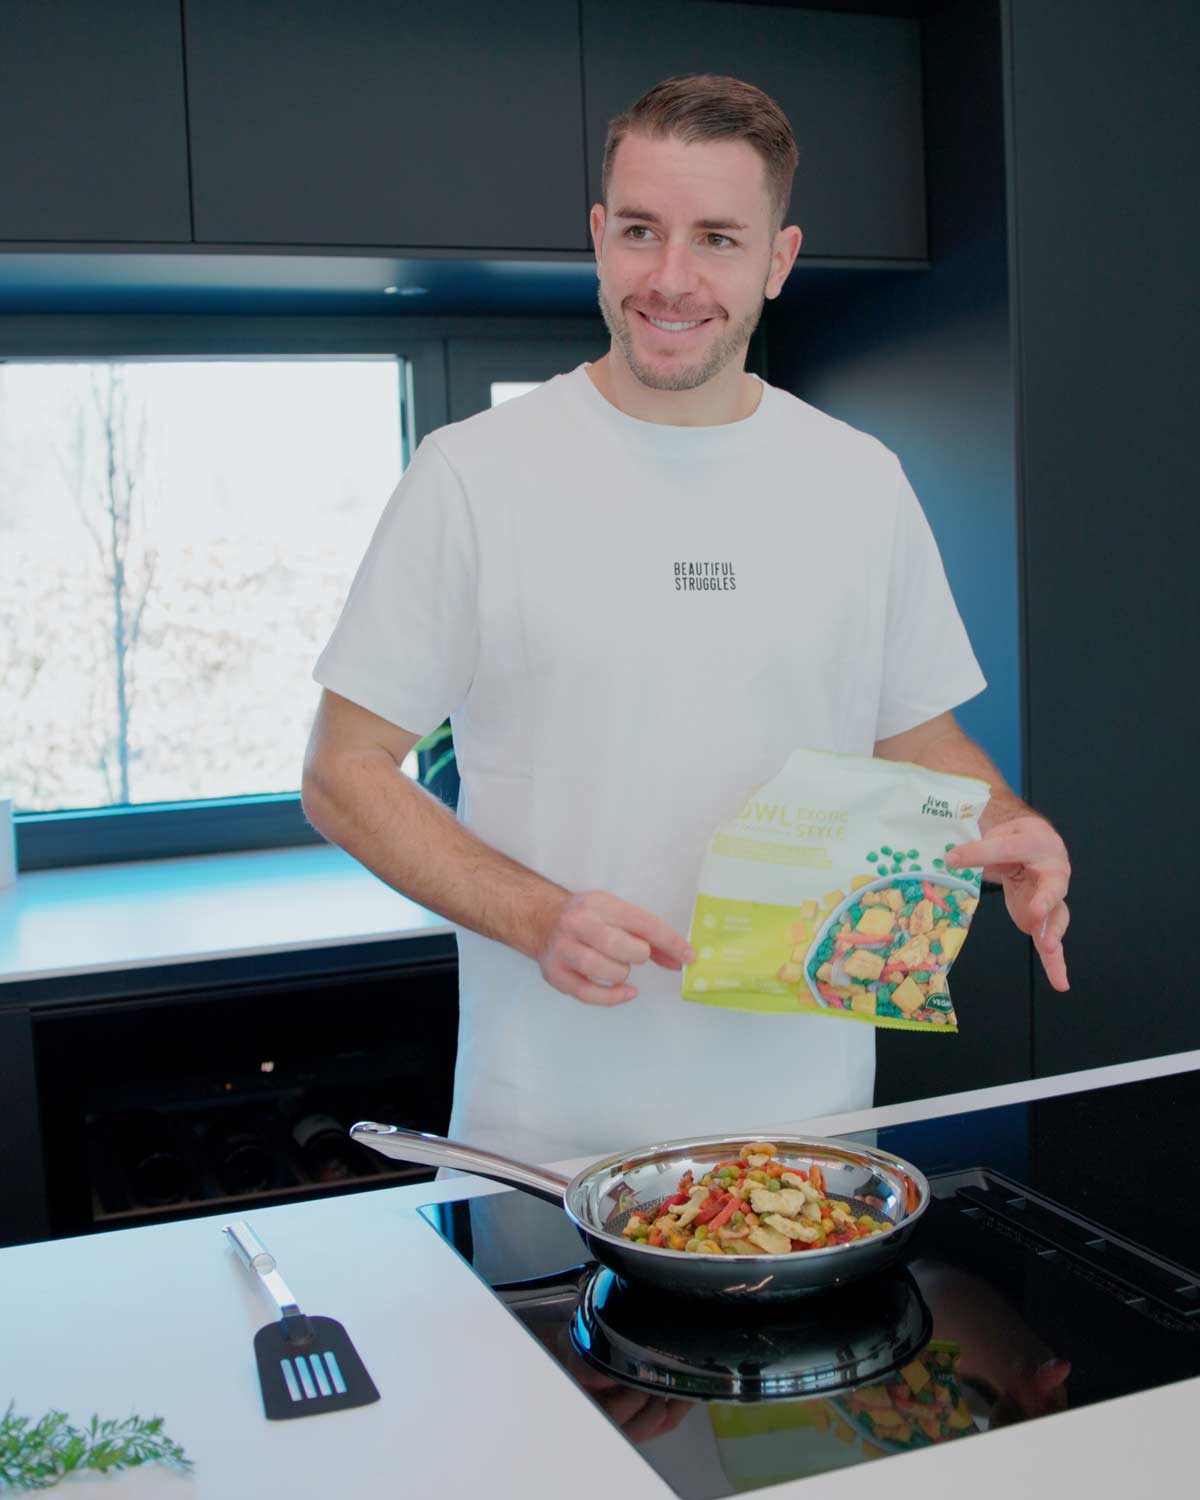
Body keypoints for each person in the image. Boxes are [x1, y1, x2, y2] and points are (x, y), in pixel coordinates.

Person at [302, 74, 1071, 1167]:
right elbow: (344, 770)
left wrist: (1003, 822)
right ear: (598, 237)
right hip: (551, 1142)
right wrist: (537, 917)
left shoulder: (859, 481)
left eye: (717, 238)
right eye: (640, 231)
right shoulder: (475, 474)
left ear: (779, 259)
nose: (671, 278)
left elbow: (915, 742)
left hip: (813, 1131)